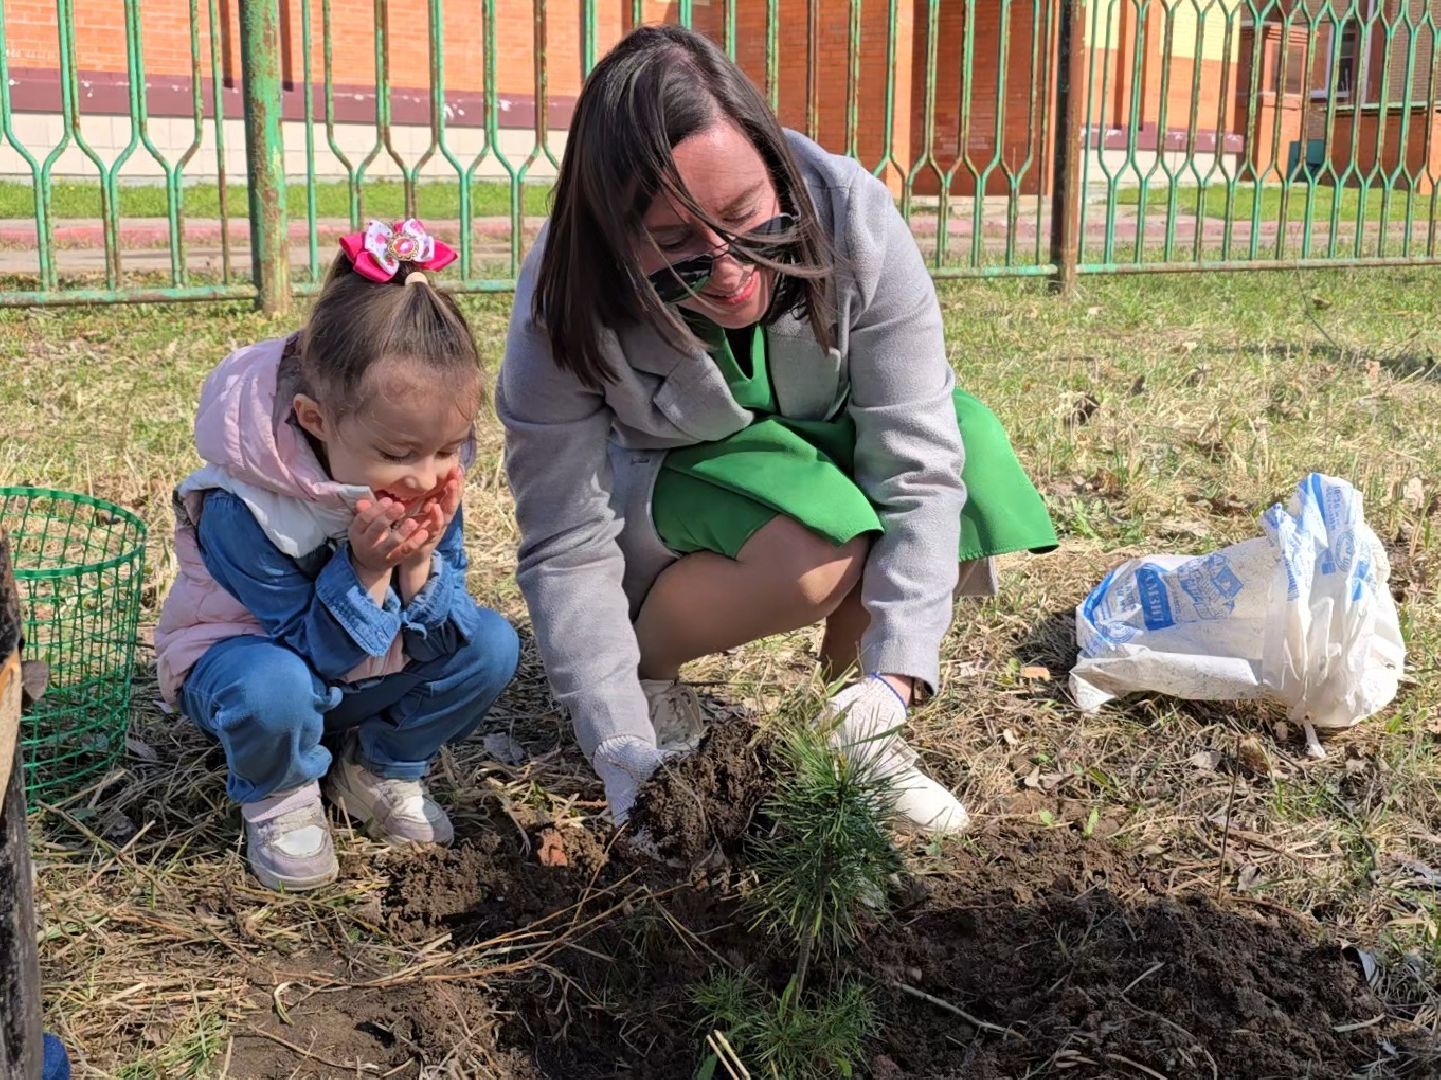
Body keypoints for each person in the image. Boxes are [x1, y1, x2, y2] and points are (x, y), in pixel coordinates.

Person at [498, 26, 1056, 831]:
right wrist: (612, 736)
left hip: (812, 445)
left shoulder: (852, 217)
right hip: (675, 481)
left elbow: (917, 459)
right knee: (814, 553)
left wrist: (894, 679)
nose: (728, 270)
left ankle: (855, 729)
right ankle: (650, 682)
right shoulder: (565, 297)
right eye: (674, 242)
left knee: (965, 444)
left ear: (773, 165)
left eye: (745, 218)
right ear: (616, 235)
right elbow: (563, 540)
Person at [154, 220, 520, 891]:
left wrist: (417, 568)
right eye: (400, 454)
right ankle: (281, 790)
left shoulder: (428, 484)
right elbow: (306, 651)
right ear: (315, 419)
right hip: (258, 672)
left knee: (492, 645)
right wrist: (366, 570)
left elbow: (446, 630)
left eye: (449, 447)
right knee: (275, 688)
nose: (426, 475)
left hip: (352, 678)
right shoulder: (244, 505)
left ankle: (377, 768)